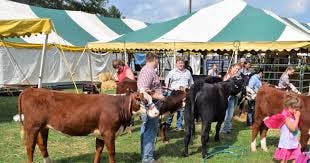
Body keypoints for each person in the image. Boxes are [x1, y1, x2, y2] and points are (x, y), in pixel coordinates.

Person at [137, 52, 165, 163]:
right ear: (153, 59)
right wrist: (159, 96)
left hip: (151, 105)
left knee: (147, 129)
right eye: (157, 59)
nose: (158, 62)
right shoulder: (148, 71)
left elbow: (149, 89)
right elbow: (143, 91)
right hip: (150, 106)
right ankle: (147, 158)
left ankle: (146, 154)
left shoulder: (148, 70)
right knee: (150, 130)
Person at [264, 97, 302, 163]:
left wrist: (297, 141)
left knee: (296, 158)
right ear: (290, 107)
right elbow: (292, 129)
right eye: (296, 109)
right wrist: (297, 118)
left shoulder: (293, 116)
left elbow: (295, 130)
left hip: (294, 142)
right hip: (286, 143)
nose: (297, 111)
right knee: (284, 159)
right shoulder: (286, 117)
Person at [165, 57, 194, 130]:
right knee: (171, 110)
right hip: (174, 94)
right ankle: (167, 125)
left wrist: (189, 90)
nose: (181, 64)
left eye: (182, 63)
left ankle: (179, 126)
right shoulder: (172, 72)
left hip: (183, 94)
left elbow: (191, 83)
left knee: (181, 110)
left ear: (184, 64)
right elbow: (166, 82)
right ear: (176, 64)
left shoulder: (187, 72)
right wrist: (168, 90)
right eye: (179, 63)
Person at [221, 63, 241, 134]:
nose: (237, 70)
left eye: (238, 69)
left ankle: (228, 126)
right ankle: (225, 129)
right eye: (236, 69)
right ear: (232, 68)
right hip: (229, 97)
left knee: (232, 113)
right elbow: (223, 86)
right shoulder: (228, 76)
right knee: (228, 113)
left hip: (235, 96)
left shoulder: (236, 76)